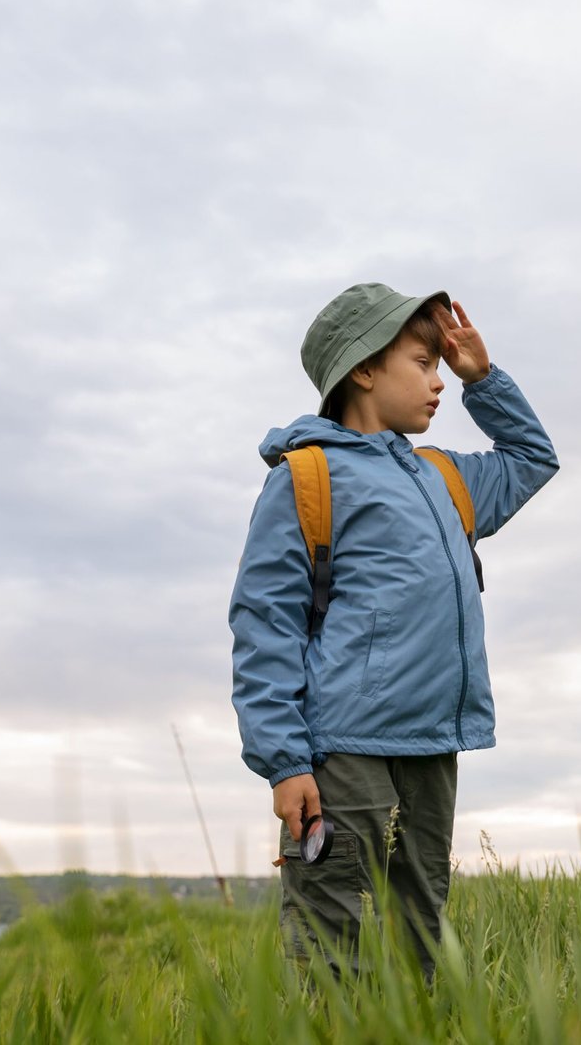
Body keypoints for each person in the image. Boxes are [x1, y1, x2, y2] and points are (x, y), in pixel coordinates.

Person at [228, 282, 559, 980]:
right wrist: (285, 761)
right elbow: (265, 623)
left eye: (442, 368)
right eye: (424, 363)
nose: (439, 383)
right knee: (330, 934)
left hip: (433, 740)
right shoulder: (308, 476)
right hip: (342, 748)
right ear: (364, 369)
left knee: (421, 934)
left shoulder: (447, 479)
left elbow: (533, 458)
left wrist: (484, 380)